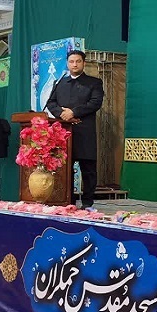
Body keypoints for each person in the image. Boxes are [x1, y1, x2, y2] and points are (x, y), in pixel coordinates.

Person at [46, 50, 104, 210]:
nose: (75, 64)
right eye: (71, 61)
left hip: (85, 131)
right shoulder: (59, 83)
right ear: (67, 63)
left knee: (88, 169)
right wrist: (62, 114)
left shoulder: (94, 82)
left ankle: (87, 203)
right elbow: (51, 103)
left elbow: (95, 103)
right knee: (65, 168)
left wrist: (74, 112)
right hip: (64, 132)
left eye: (78, 61)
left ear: (84, 63)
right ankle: (68, 201)